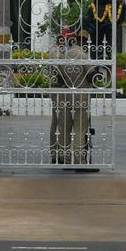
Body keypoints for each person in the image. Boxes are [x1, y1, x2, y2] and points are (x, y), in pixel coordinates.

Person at [49, 29, 93, 166]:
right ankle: (80, 161)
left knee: (64, 129)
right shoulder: (83, 56)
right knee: (80, 129)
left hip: (66, 97)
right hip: (82, 97)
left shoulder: (65, 56)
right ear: (85, 41)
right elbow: (92, 75)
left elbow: (60, 78)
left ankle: (66, 160)